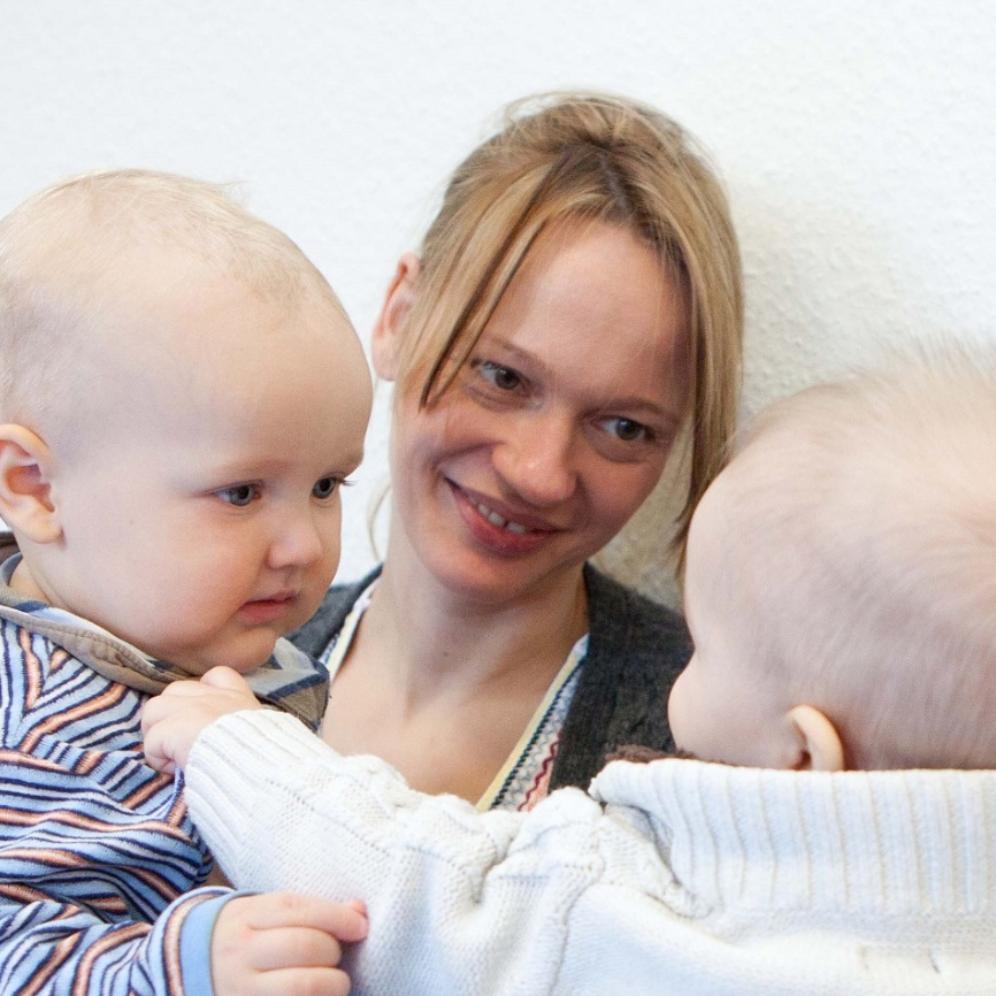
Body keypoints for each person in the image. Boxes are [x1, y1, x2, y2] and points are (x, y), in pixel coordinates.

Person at [145, 352, 996, 995]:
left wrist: (234, 748)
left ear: (803, 756)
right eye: (503, 376)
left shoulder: (648, 901)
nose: (537, 469)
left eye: (703, 646)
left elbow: (421, 885)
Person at [289, 91, 744, 809]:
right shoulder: (206, 652)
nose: (539, 473)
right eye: (501, 377)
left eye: (624, 428)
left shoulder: (711, 755)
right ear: (400, 319)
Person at [0, 170, 372, 994]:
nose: (302, 546)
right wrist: (177, 970)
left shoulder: (204, 648)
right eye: (240, 493)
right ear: (34, 486)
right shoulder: (33, 731)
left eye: (327, 486)